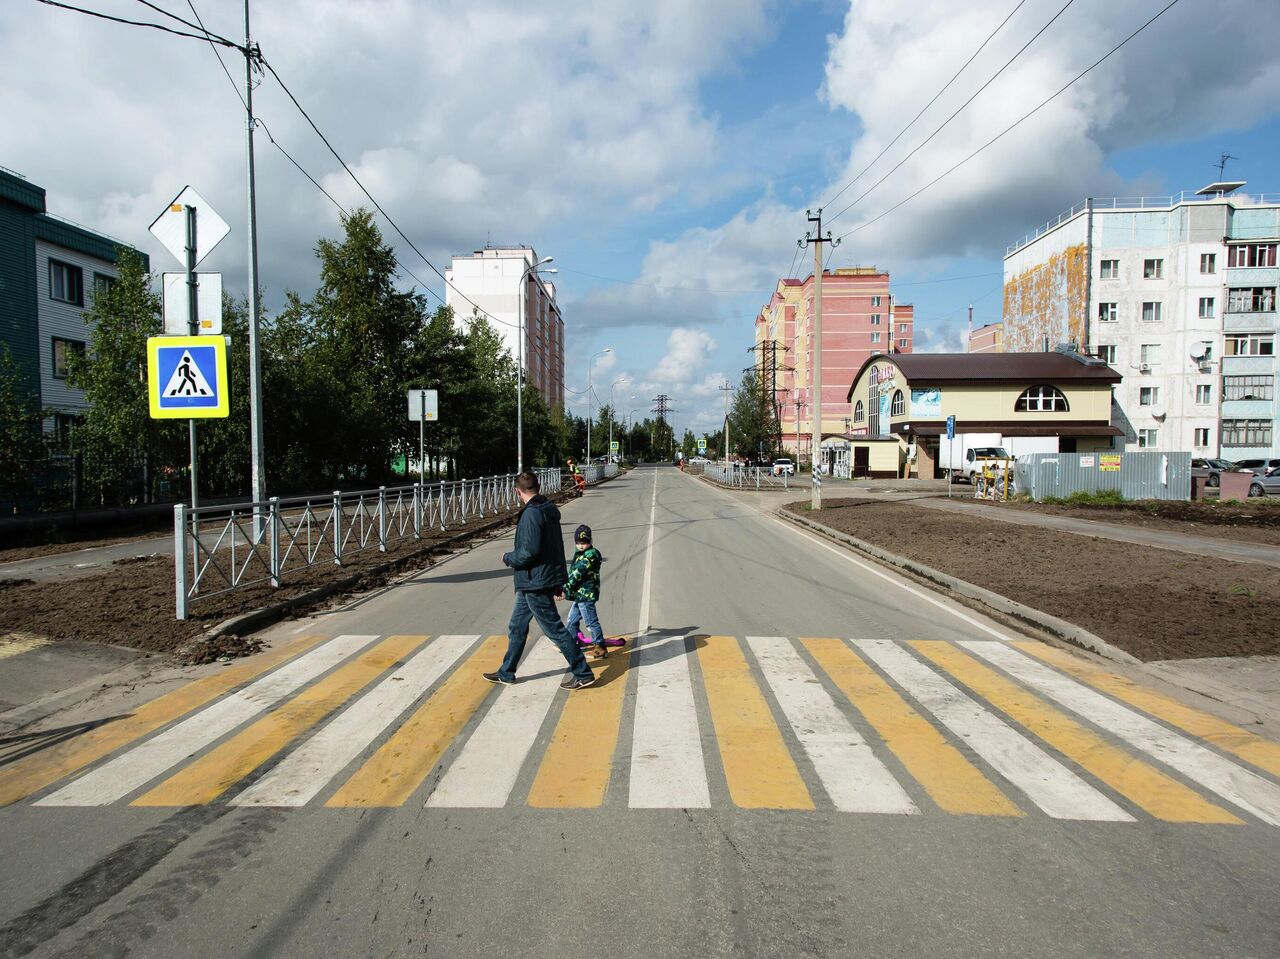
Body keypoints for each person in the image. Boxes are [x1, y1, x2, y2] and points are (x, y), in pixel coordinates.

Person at [485, 472, 595, 690]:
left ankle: (583, 672)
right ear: (539, 486)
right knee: (517, 625)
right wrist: (558, 580)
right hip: (534, 580)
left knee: (554, 629)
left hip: (535, 580)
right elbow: (554, 549)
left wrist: (509, 558)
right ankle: (506, 672)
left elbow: (529, 552)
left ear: (517, 492)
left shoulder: (532, 514)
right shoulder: (547, 510)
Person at [563, 524, 625, 657]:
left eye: (584, 543)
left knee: (591, 622)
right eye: (578, 543)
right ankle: (571, 641)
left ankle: (600, 646)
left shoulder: (590, 555)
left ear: (590, 542)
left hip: (586, 595)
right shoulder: (581, 553)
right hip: (579, 595)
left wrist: (564, 588)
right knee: (572, 619)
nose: (580, 546)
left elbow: (577, 574)